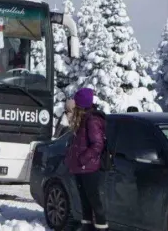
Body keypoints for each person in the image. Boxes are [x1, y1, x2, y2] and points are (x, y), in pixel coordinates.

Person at [64, 88, 108, 231]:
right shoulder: (82, 119)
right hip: (81, 168)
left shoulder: (91, 120)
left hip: (89, 168)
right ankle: (86, 227)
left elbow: (98, 144)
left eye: (76, 103)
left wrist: (83, 159)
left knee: (94, 202)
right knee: (85, 202)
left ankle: (102, 228)